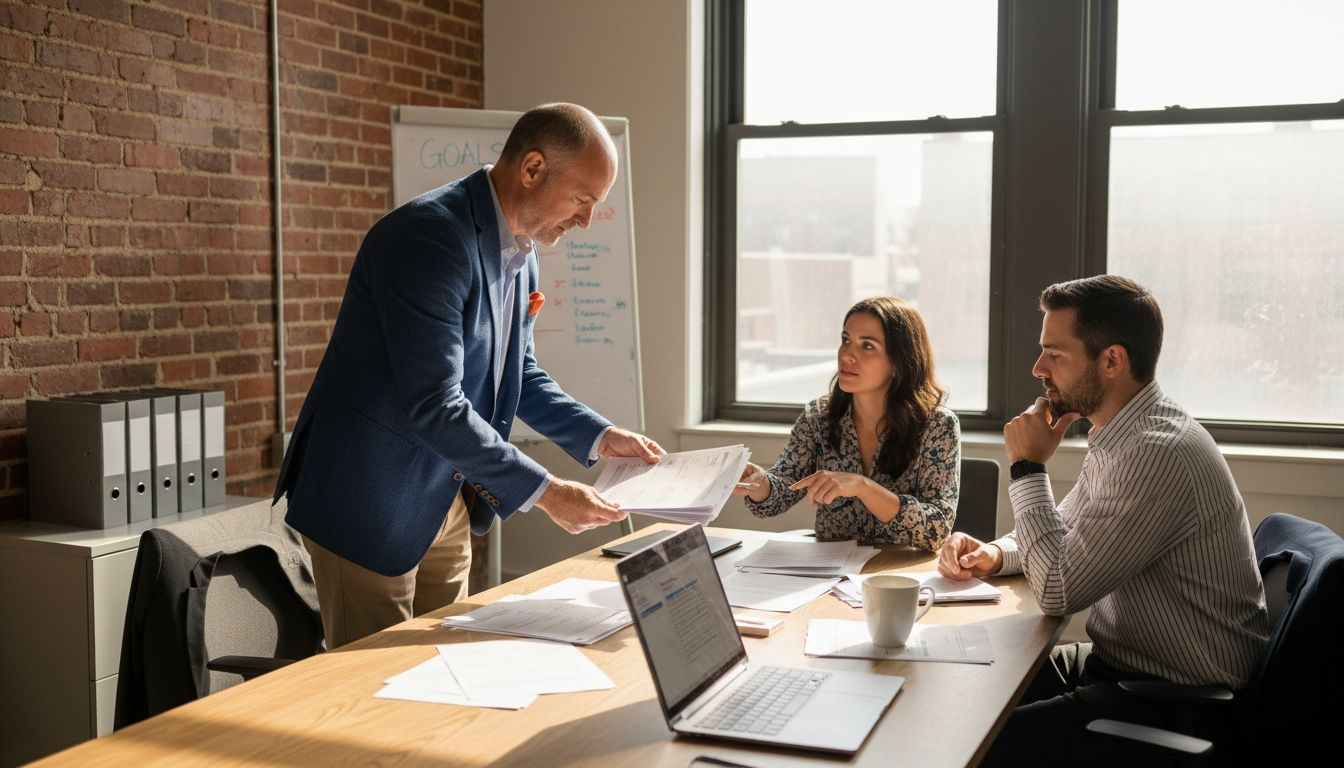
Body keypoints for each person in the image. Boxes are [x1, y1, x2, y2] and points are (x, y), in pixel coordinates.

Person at [273, 103, 664, 648]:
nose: (585, 220)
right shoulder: (430, 239)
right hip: (372, 497)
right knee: (375, 683)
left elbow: (517, 373)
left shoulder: (524, 248)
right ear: (531, 170)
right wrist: (546, 492)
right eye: (582, 199)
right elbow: (436, 405)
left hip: (447, 495)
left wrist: (601, 436)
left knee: (447, 661)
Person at [937, 275, 1268, 765]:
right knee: (963, 688)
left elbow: (1058, 588)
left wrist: (1028, 467)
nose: (1037, 368)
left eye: (1055, 353)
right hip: (1124, 669)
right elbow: (1067, 528)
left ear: (1112, 360)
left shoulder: (1157, 452)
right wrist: (993, 554)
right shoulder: (1125, 432)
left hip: (1174, 699)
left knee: (966, 744)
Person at [734, 297, 960, 549]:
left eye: (867, 346)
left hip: (901, 575)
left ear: (898, 363)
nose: (848, 355)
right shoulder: (817, 417)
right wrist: (760, 483)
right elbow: (779, 495)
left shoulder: (937, 425)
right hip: (832, 575)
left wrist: (863, 487)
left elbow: (937, 529)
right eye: (846, 340)